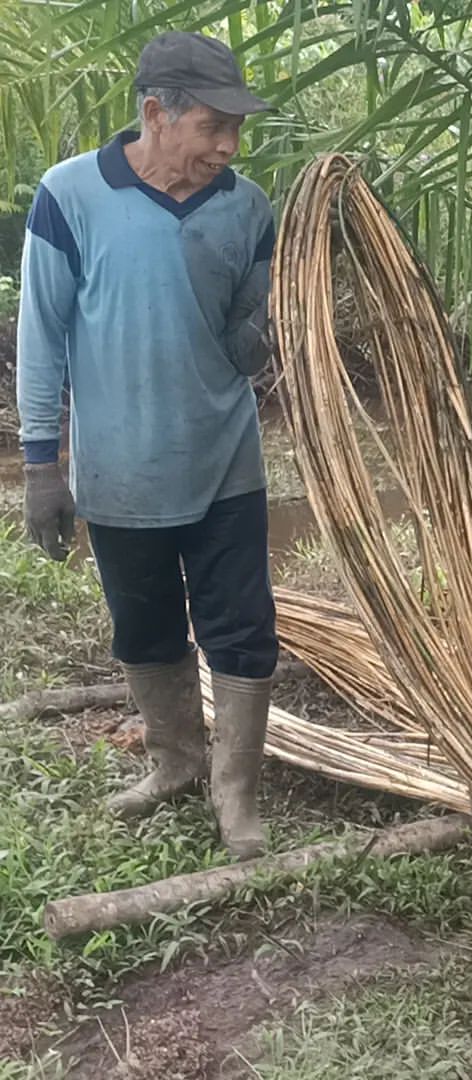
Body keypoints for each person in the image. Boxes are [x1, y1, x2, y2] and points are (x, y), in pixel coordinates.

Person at [16, 31, 278, 860]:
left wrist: (275, 325)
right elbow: (42, 337)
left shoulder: (248, 207)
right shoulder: (70, 196)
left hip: (226, 459)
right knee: (144, 625)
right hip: (120, 468)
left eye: (237, 127)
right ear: (155, 113)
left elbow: (249, 337)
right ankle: (173, 763)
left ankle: (235, 793)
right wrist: (40, 467)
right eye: (212, 126)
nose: (228, 146)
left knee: (242, 626)